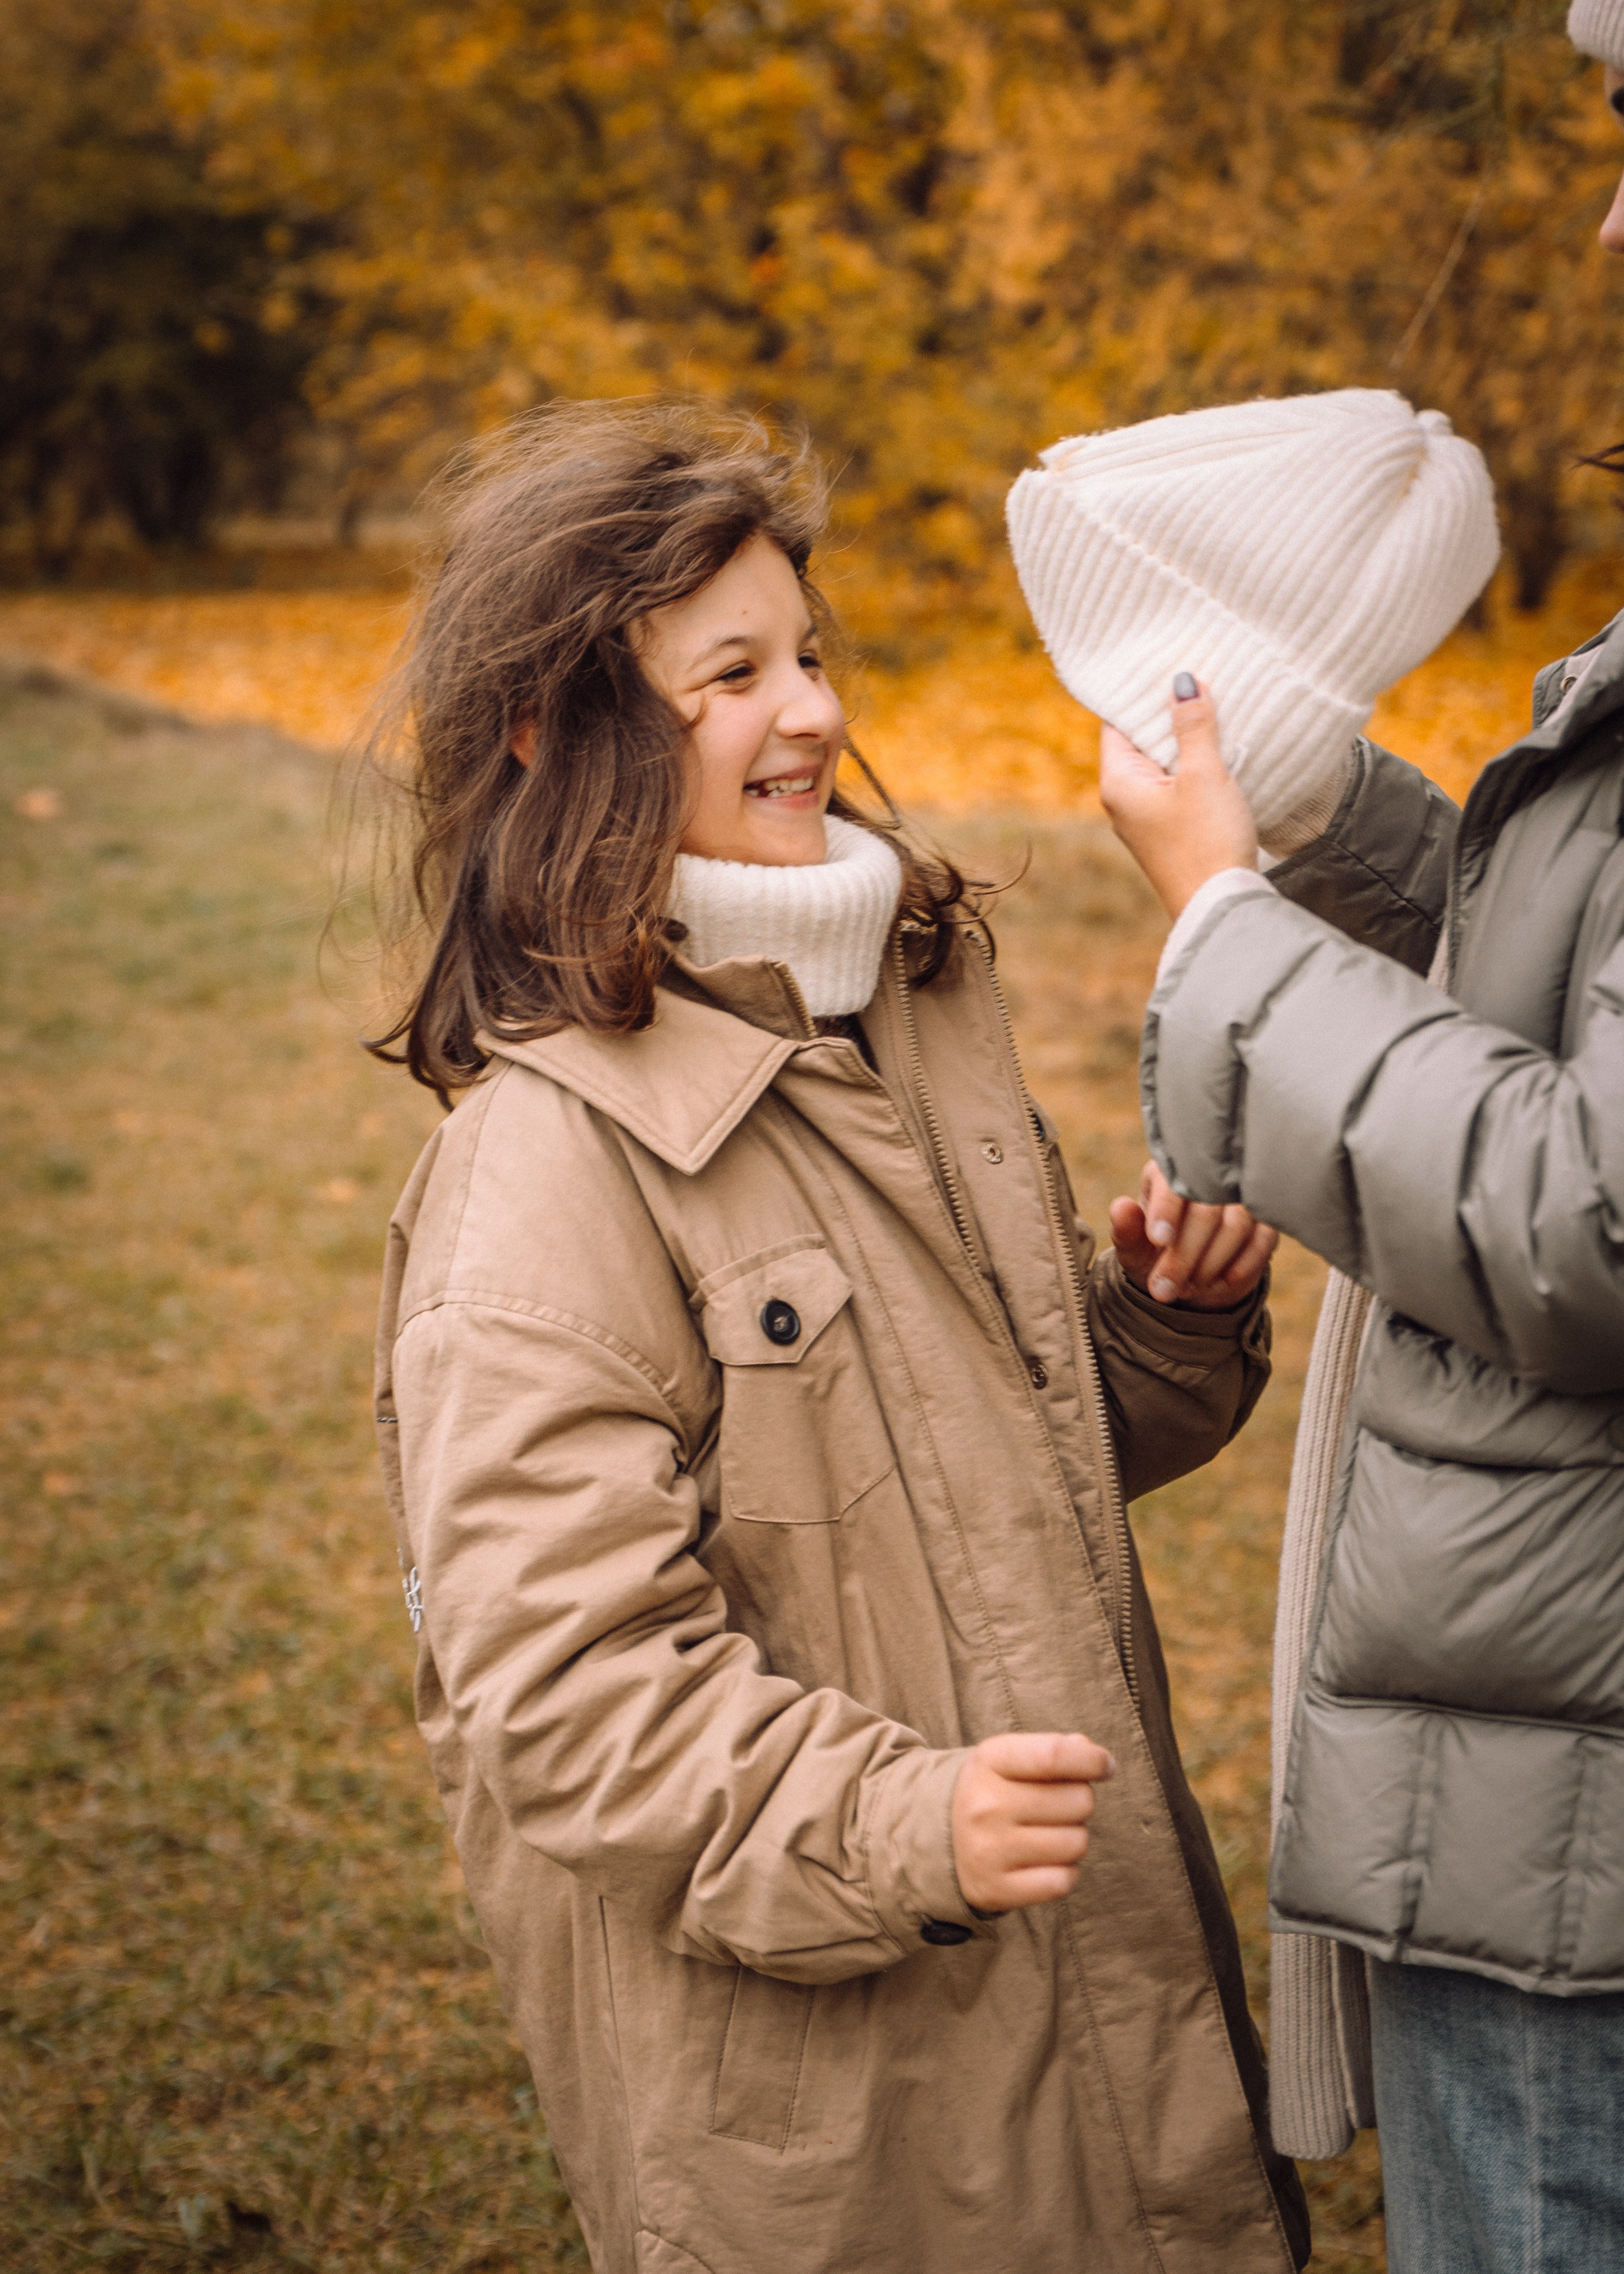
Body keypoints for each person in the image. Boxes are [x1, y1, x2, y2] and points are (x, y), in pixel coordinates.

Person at [367, 399, 1311, 2273]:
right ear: (558, 730)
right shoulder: (548, 1168)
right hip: (842, 2083)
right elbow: (566, 1694)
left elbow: (996, 1458)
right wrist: (904, 1824)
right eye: (733, 674)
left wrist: (1161, 1317)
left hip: (1088, 2000)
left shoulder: (904, 1013)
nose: (808, 714)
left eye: (809, 659)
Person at [1097, 8, 1624, 2266]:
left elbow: (1586, 1213)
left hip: (1568, 1816)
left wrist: (1218, 918)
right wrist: (1333, 817)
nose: (1607, 215)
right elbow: (1569, 976)